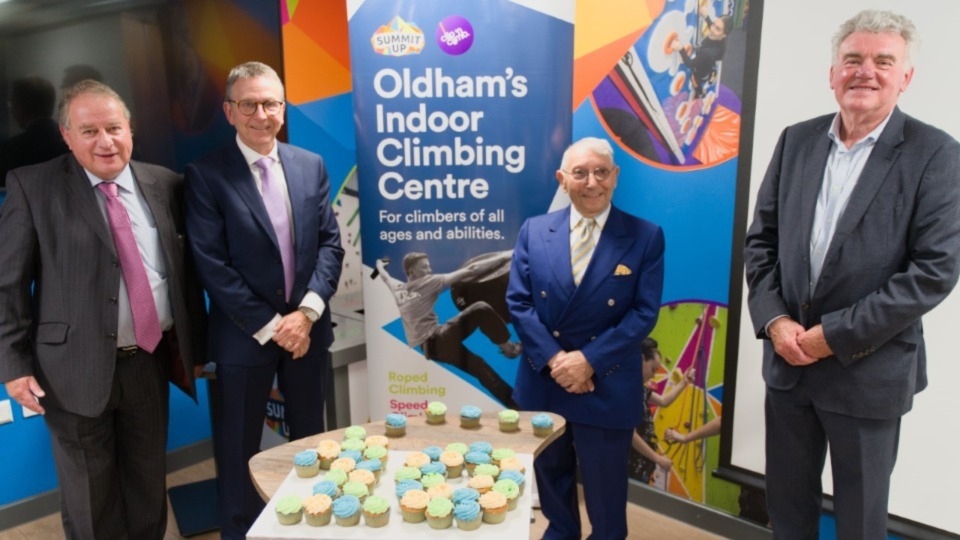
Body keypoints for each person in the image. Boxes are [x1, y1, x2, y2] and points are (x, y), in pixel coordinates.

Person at [744, 10, 960, 539]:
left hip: (868, 374)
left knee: (861, 522)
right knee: (788, 510)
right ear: (833, 72)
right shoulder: (797, 141)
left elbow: (933, 271)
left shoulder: (936, 154)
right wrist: (776, 324)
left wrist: (830, 337)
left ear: (904, 77)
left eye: (883, 61)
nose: (866, 71)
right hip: (789, 365)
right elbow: (760, 244)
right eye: (853, 59)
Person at [0, 80, 207, 539]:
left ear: (130, 129)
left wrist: (197, 349)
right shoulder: (33, 186)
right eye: (89, 130)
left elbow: (185, 276)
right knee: (91, 503)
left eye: (113, 127)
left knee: (148, 487)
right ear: (66, 135)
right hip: (71, 371)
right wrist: (13, 366)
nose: (105, 141)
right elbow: (7, 284)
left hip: (148, 364)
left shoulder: (166, 183)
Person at [184, 61, 344, 539]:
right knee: (238, 455)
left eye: (271, 103)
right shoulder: (205, 174)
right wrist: (278, 325)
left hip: (308, 335)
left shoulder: (309, 165)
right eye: (249, 104)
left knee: (312, 446)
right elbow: (212, 265)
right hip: (243, 339)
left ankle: (313, 529)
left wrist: (307, 314)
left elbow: (331, 245)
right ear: (230, 111)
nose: (262, 113)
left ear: (282, 107)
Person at [507, 136, 665, 539]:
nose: (591, 182)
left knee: (607, 502)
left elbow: (643, 313)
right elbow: (519, 303)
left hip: (606, 382)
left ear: (615, 177)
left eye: (600, 172)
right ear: (563, 179)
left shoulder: (645, 236)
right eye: (580, 173)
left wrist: (587, 360)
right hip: (546, 380)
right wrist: (558, 361)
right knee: (553, 488)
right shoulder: (534, 230)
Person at [375, 251, 522, 407]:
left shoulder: (398, 289)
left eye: (428, 267)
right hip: (436, 338)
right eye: (424, 267)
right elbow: (472, 269)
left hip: (431, 349)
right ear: (412, 272)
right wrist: (507, 255)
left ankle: (519, 408)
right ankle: (509, 349)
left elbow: (385, 277)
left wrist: (379, 264)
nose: (429, 270)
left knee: (482, 371)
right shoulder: (429, 282)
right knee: (480, 308)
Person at [629, 336, 694, 482]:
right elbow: (630, 435)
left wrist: (684, 382)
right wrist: (658, 459)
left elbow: (664, 401)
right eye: (653, 369)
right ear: (641, 359)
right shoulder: (627, 391)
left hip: (642, 460)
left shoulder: (640, 389)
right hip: (631, 461)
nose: (654, 375)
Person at [0, 75, 69, 185]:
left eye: (12, 103)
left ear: (20, 107)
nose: (11, 110)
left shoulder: (11, 150)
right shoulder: (71, 143)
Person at [670, 8, 733, 98]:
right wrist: (707, 17)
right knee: (708, 69)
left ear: (724, 35)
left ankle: (700, 93)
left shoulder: (707, 53)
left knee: (694, 79)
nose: (712, 29)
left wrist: (681, 49)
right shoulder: (722, 38)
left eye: (717, 29)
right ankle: (711, 75)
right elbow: (714, 27)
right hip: (709, 62)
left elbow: (690, 64)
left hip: (702, 71)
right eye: (714, 24)